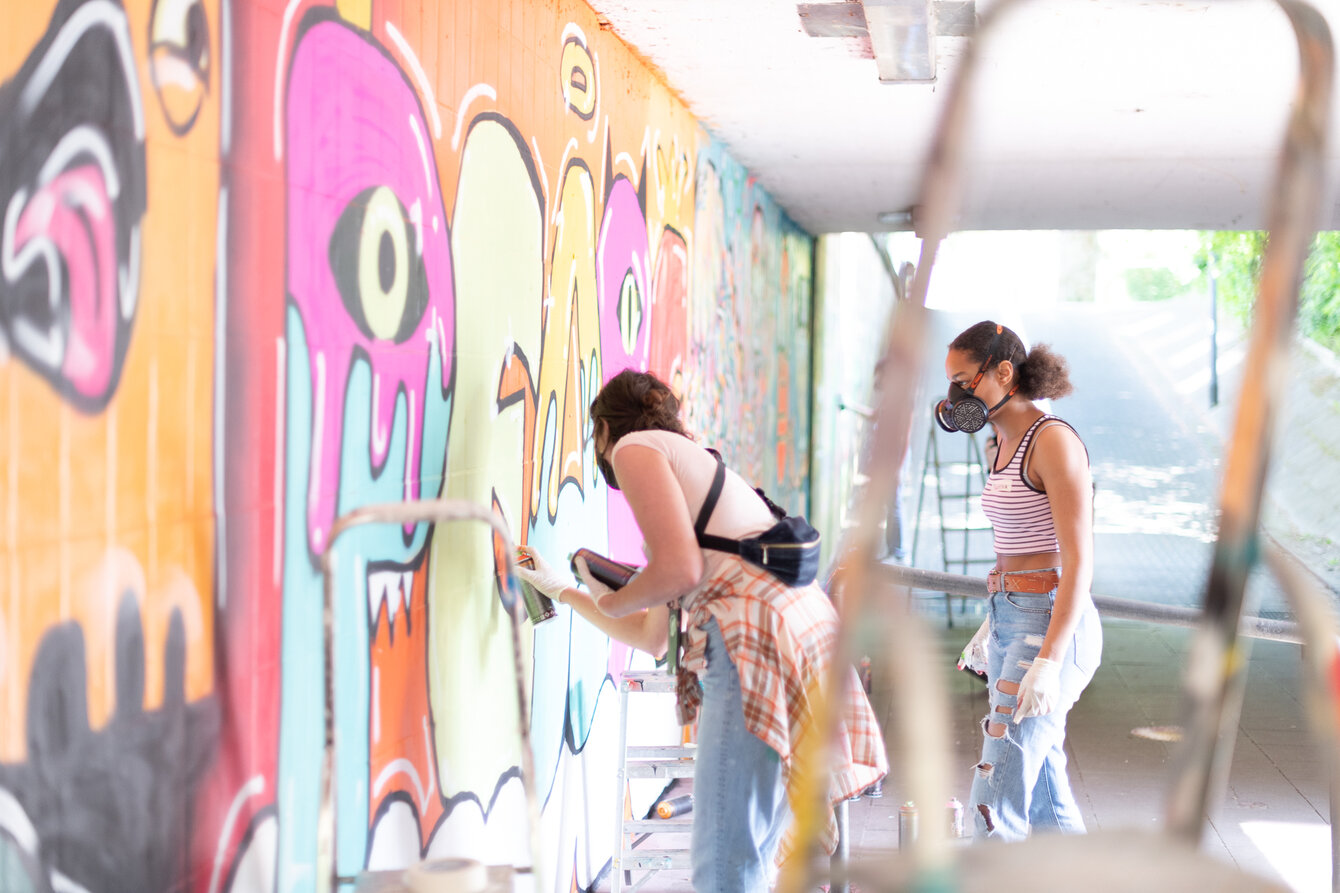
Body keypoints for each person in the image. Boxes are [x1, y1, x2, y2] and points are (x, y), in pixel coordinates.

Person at [517, 369, 887, 893]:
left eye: (594, 435)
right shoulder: (696, 469)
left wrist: (616, 594)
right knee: (750, 855)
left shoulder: (637, 447)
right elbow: (651, 635)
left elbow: (679, 572)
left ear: (604, 426)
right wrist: (564, 590)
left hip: (757, 640)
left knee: (724, 863)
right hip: (800, 634)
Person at [937, 321, 1101, 841]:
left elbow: (1078, 560)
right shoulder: (1004, 440)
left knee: (994, 802)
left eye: (965, 380)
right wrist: (996, 614)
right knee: (1046, 803)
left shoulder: (1051, 441)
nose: (955, 394)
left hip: (1047, 625)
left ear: (1004, 372)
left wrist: (1049, 661)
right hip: (1012, 619)